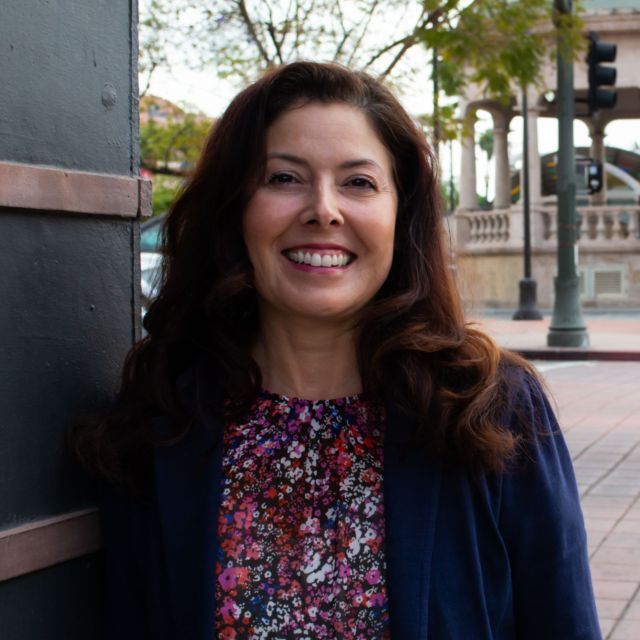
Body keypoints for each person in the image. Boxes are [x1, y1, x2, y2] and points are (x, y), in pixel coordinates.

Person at [72, 61, 601, 640]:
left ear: (401, 216)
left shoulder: (491, 412)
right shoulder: (163, 419)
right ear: (234, 210)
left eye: (358, 182)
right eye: (283, 178)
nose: (323, 209)